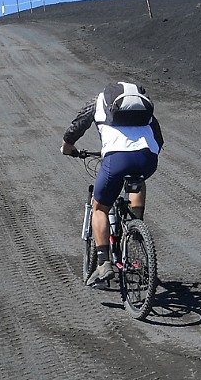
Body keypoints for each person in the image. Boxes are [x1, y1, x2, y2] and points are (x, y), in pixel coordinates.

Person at [62, 81, 164, 286]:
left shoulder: (97, 101)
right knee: (137, 178)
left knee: (99, 208)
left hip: (117, 160)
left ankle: (103, 263)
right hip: (148, 159)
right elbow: (159, 139)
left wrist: (68, 148)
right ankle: (137, 227)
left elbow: (76, 128)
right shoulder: (143, 107)